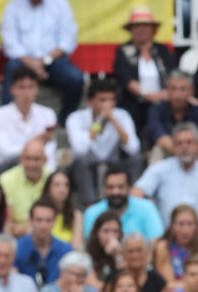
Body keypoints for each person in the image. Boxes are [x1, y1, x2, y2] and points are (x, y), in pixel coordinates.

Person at [0, 0, 83, 123]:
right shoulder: (13, 6)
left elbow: (68, 40)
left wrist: (43, 62)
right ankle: (7, 122)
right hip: (23, 62)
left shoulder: (60, 4)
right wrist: (33, 64)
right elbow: (10, 43)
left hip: (53, 61)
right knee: (11, 69)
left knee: (76, 78)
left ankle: (64, 122)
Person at [66, 74, 141, 209]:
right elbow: (80, 150)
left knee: (137, 160)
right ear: (90, 101)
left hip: (114, 164)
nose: (108, 105)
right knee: (79, 163)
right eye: (103, 100)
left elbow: (133, 148)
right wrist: (99, 121)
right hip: (87, 166)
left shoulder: (122, 116)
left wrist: (114, 120)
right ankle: (90, 208)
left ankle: (133, 203)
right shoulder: (75, 118)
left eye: (111, 100)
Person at [112, 6, 174, 132]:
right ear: (131, 30)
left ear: (153, 29)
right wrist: (150, 96)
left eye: (145, 26)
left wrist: (166, 94)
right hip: (134, 102)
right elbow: (126, 79)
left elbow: (172, 74)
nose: (141, 29)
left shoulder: (162, 50)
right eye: (137, 26)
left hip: (163, 102)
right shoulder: (123, 51)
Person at [0, 69, 56, 175]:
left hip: (38, 172)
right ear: (12, 89)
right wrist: (35, 142)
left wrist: (50, 177)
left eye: (31, 87)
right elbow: (5, 152)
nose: (26, 92)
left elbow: (50, 151)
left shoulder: (48, 114)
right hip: (5, 171)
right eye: (21, 87)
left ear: (37, 89)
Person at [132, 123, 198, 229]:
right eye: (179, 143)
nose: (184, 147)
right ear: (173, 147)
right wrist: (150, 215)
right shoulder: (161, 168)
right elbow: (135, 194)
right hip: (166, 237)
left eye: (189, 142)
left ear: (197, 145)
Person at [82, 165, 163, 242]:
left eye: (120, 187)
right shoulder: (92, 212)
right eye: (110, 187)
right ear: (104, 188)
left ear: (129, 187)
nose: (115, 192)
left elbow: (156, 241)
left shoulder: (147, 208)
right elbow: (89, 245)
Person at [15, 200, 71, 287]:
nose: (43, 226)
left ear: (54, 222)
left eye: (48, 220)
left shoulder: (66, 251)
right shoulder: (16, 248)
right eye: (39, 220)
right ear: (30, 221)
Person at [145, 71, 198, 160]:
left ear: (191, 91)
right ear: (167, 90)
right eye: (173, 89)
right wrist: (182, 150)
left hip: (193, 153)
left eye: (182, 89)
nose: (178, 94)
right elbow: (160, 137)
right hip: (168, 152)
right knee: (158, 151)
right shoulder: (157, 109)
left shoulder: (195, 110)